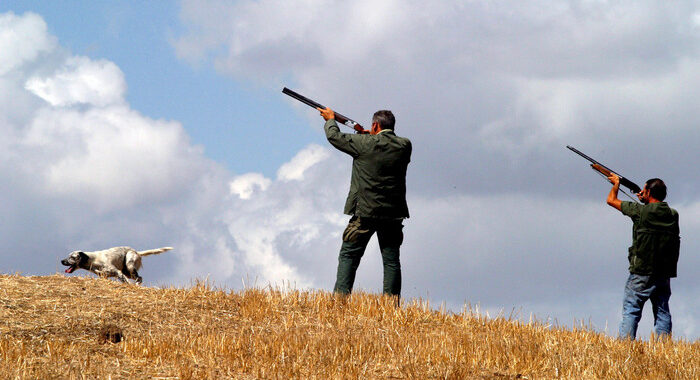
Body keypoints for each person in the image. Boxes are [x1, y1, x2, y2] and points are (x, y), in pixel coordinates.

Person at [317, 106, 411, 299]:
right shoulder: (404, 145)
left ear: (375, 125)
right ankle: (391, 305)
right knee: (391, 261)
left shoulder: (364, 144)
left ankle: (340, 301)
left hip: (365, 211)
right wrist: (370, 135)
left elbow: (335, 138)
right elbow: (381, 144)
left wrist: (330, 120)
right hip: (393, 213)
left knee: (349, 255)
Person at [606, 174, 680, 340]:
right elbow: (653, 210)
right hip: (664, 272)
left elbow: (611, 200)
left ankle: (625, 347)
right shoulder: (673, 215)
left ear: (648, 192)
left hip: (642, 271)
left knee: (632, 308)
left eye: (644, 189)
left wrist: (616, 184)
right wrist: (645, 199)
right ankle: (664, 349)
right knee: (662, 310)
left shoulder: (640, 211)